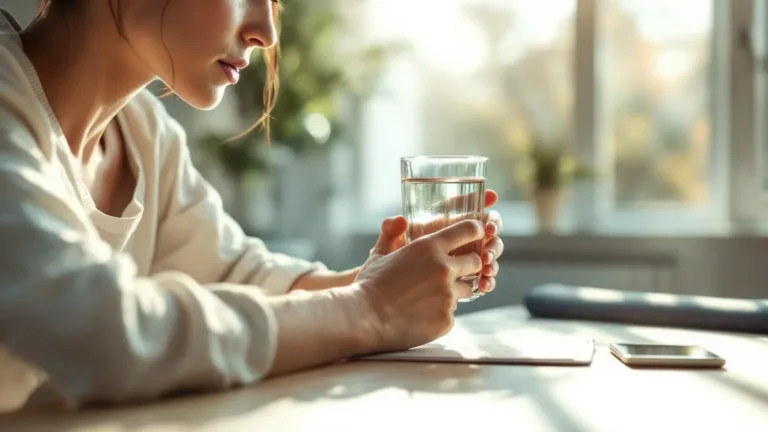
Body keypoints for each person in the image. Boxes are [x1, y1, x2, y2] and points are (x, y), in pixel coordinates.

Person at [0, 0, 504, 413]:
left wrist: (391, 281)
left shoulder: (143, 133)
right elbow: (106, 334)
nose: (266, 32)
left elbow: (241, 277)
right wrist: (371, 309)